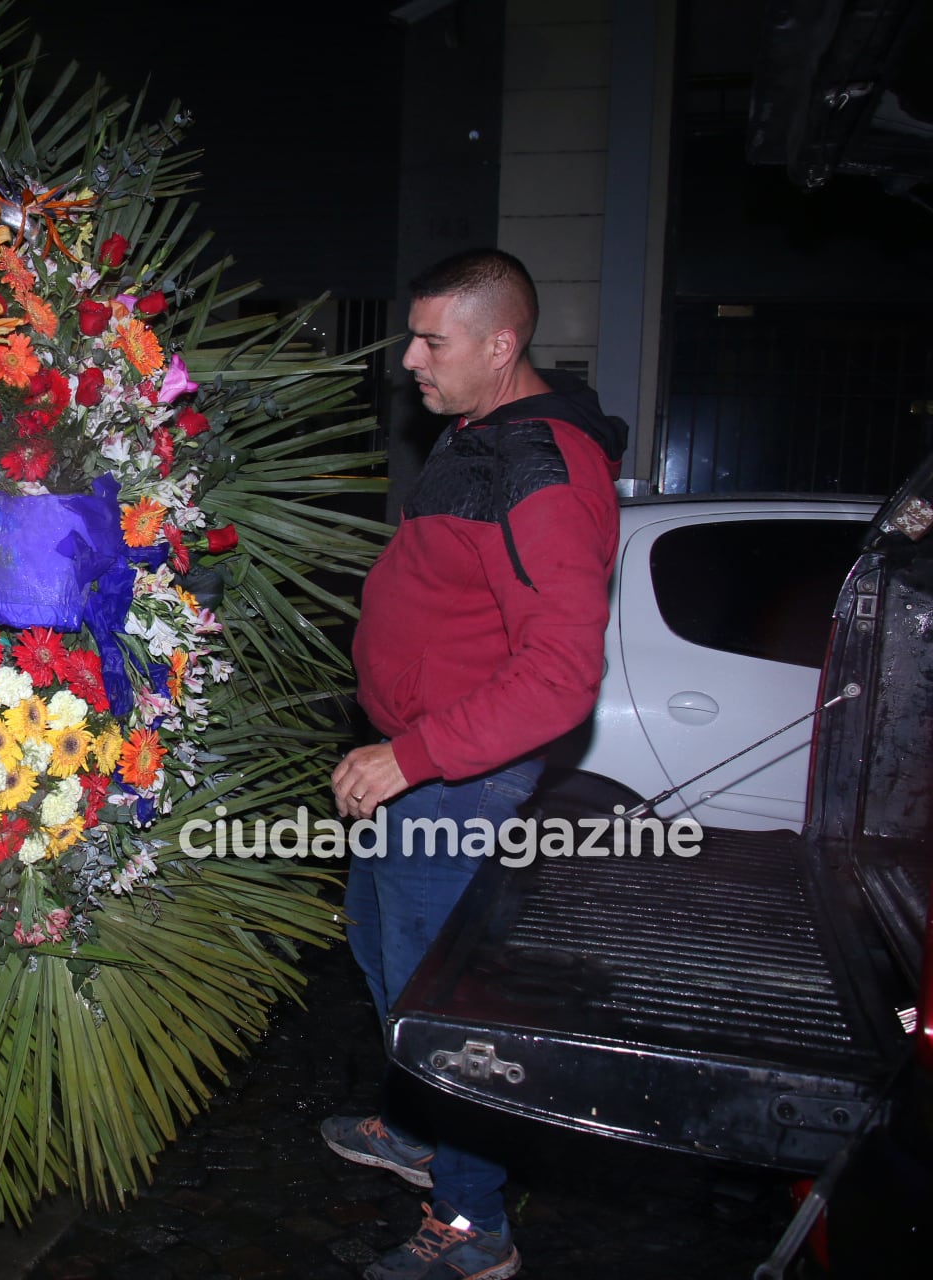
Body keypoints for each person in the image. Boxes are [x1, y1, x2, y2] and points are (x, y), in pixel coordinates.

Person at [323, 248, 625, 1280]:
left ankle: (473, 1226)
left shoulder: (543, 468)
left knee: (448, 1016)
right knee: (380, 956)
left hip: (454, 782)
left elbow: (558, 676)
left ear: (503, 344)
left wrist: (412, 755)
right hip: (415, 772)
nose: (409, 357)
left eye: (431, 340)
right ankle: (422, 1132)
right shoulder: (482, 435)